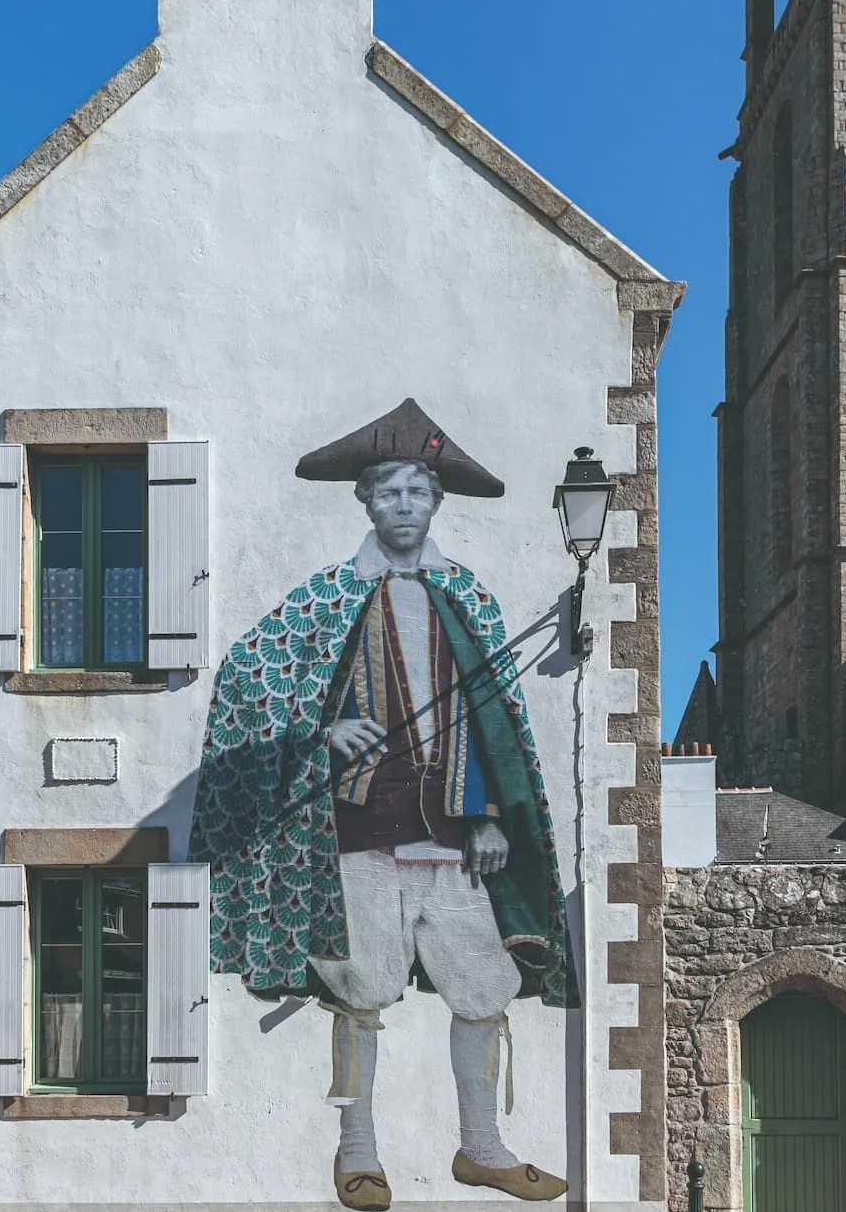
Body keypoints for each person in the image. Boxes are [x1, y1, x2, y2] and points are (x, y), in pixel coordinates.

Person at [189, 399, 577, 1209]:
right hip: (362, 833)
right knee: (360, 988)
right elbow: (246, 677)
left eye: (417, 492)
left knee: (484, 985)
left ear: (435, 502)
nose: (403, 506)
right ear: (365, 501)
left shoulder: (465, 594)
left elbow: (494, 719)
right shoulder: (326, 597)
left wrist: (489, 814)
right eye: (388, 493)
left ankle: (481, 1145)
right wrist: (323, 727)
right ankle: (357, 1151)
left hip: (456, 835)